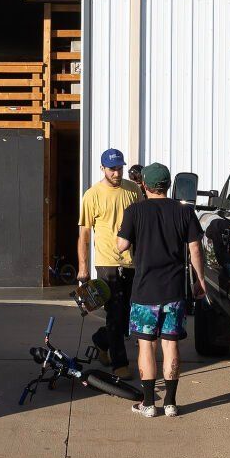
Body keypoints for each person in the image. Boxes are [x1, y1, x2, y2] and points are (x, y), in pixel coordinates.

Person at [115, 162, 206, 417]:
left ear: (144, 184)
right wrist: (200, 279)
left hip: (145, 292)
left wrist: (120, 236)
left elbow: (121, 246)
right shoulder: (185, 212)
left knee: (146, 346)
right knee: (171, 345)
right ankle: (171, 403)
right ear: (168, 185)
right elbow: (195, 249)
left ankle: (148, 404)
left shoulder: (134, 211)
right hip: (174, 291)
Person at [77, 148, 144, 372]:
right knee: (115, 312)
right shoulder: (92, 195)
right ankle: (120, 364)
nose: (117, 173)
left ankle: (100, 340)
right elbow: (84, 234)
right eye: (112, 169)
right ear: (102, 168)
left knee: (127, 315)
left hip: (131, 261)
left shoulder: (133, 190)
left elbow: (141, 225)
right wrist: (83, 267)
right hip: (107, 262)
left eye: (119, 168)